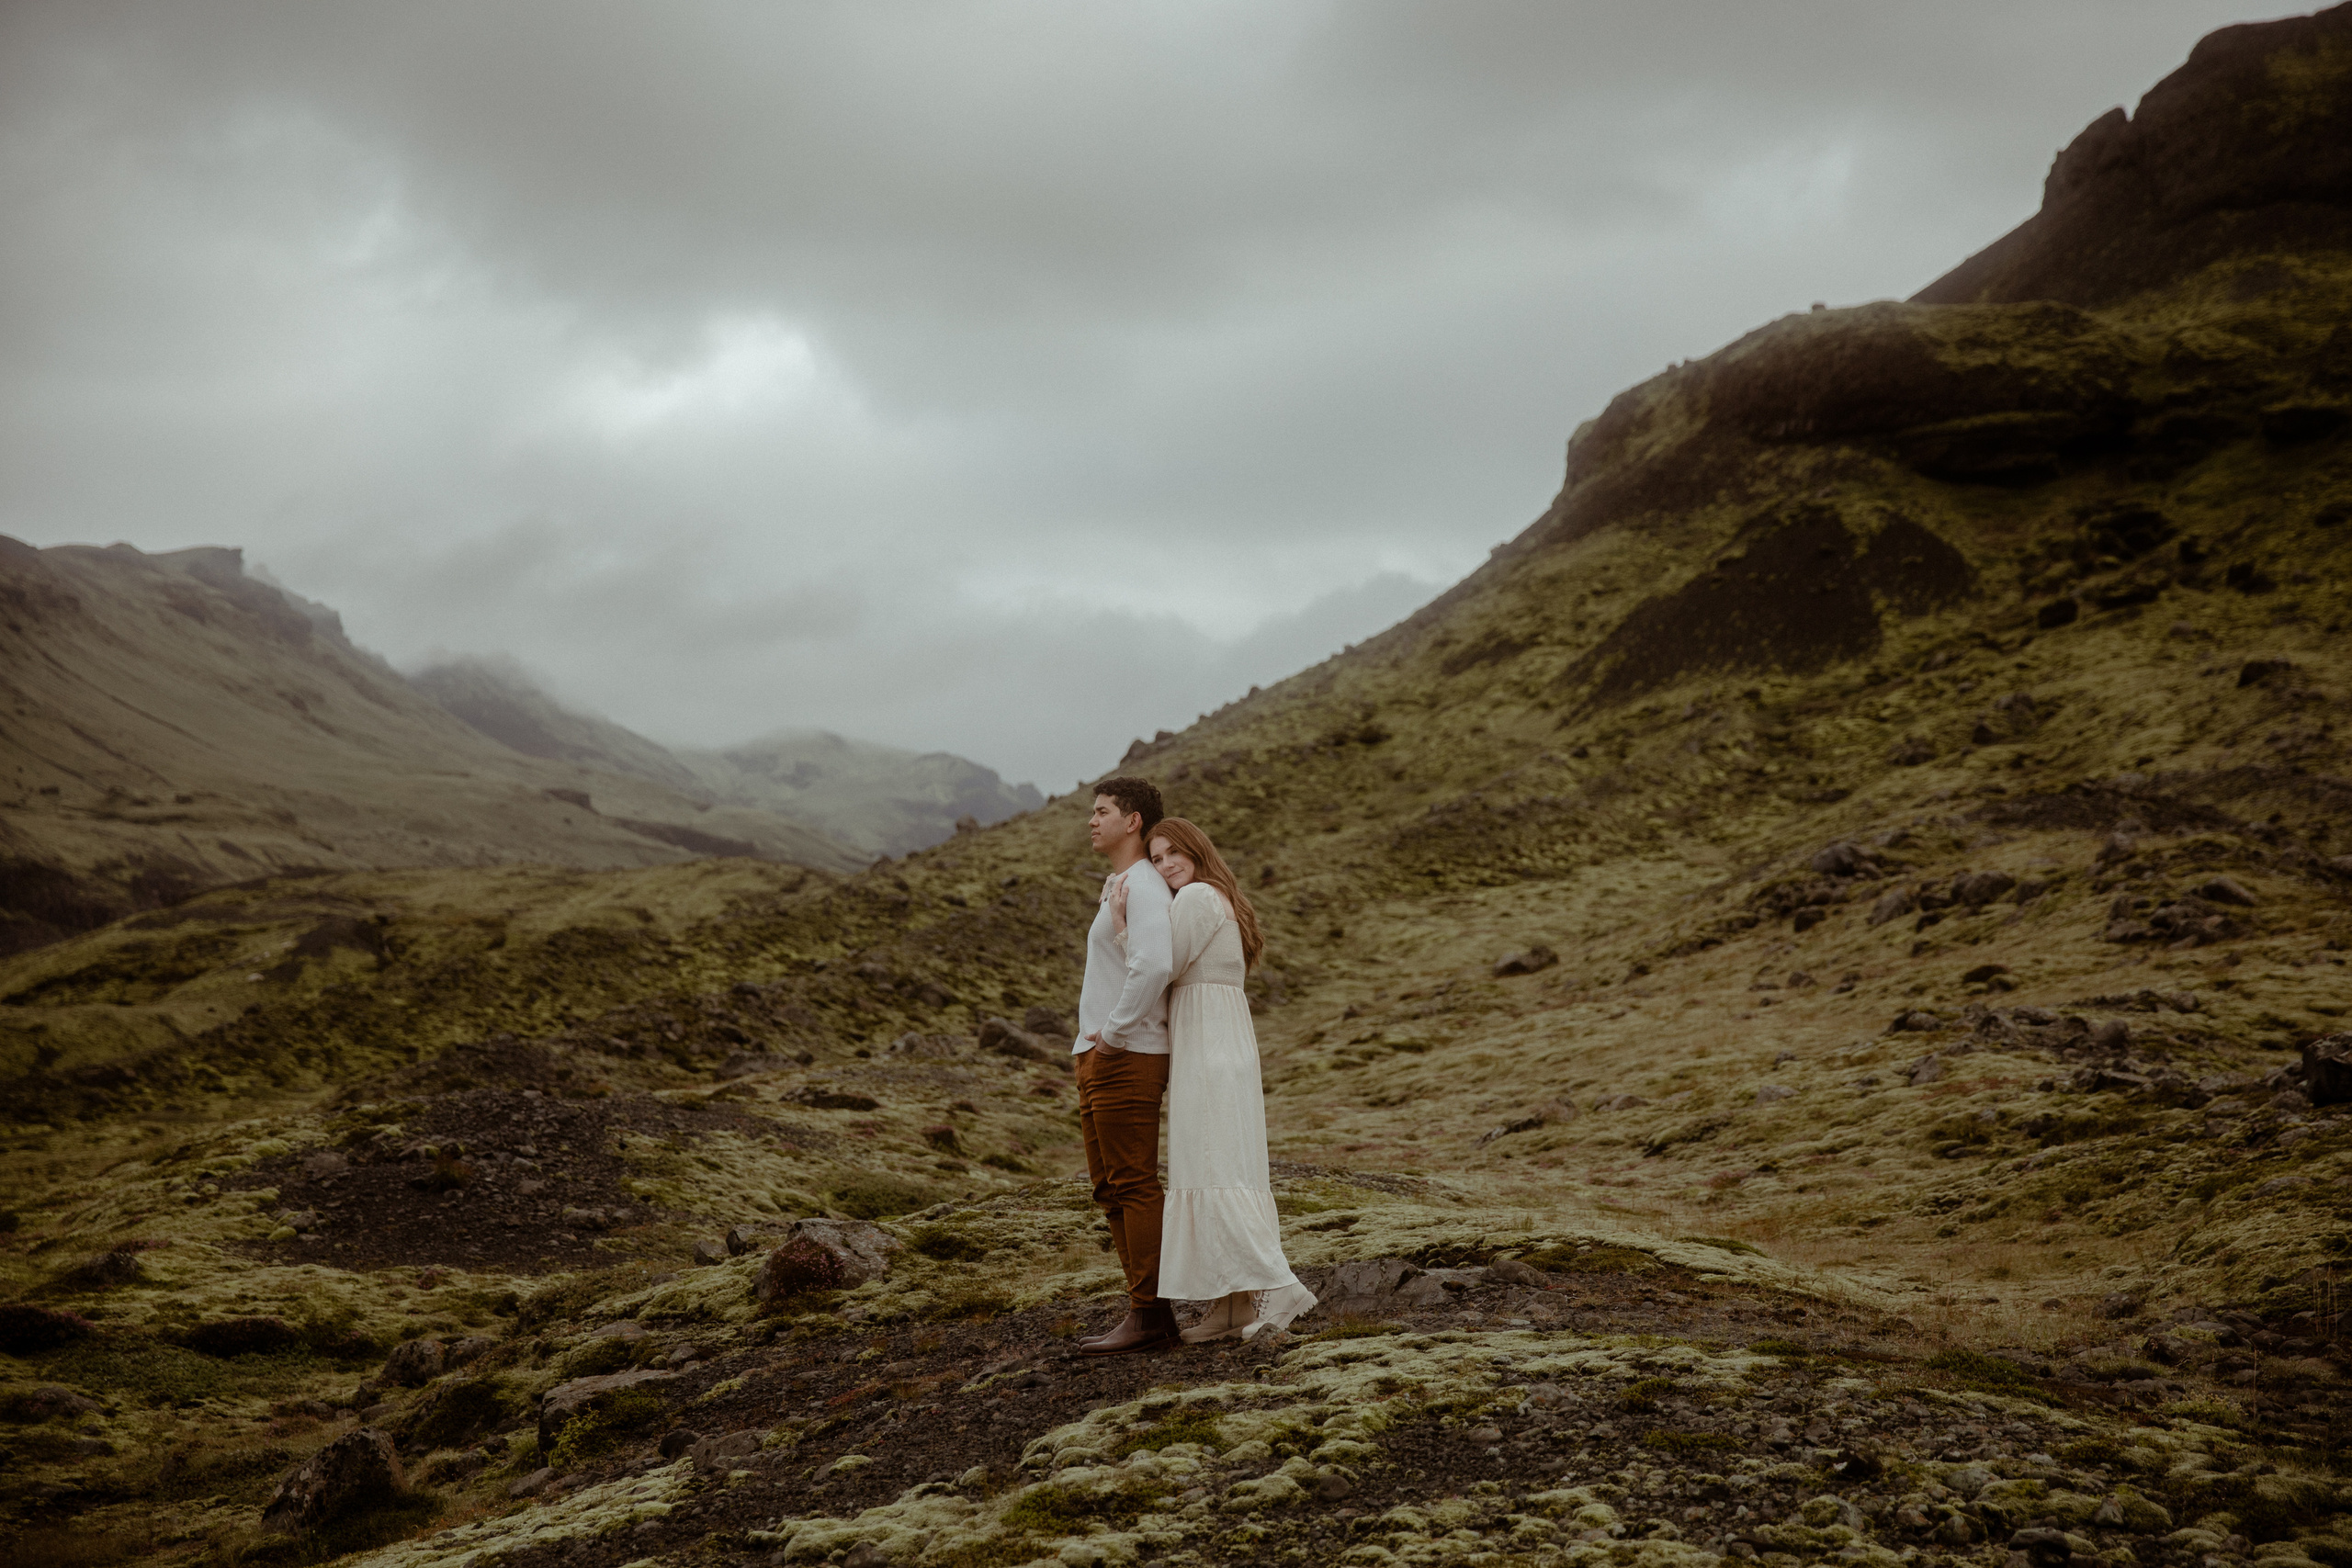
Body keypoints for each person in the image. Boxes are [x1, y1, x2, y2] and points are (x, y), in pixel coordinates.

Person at [1111, 817, 1315, 1341]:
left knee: (1214, 1164)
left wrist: (1121, 926)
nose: (1166, 864)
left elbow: (1159, 964)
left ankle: (1278, 1283)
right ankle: (1233, 1308)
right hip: (1221, 1042)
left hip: (1210, 1047)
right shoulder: (1218, 895)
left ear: (1197, 850)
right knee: (1220, 1163)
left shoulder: (1198, 896)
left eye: (1174, 852)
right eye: (1156, 858)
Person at [1070, 775, 1179, 1356]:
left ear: (1132, 820)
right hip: (1101, 1054)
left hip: (1127, 1055)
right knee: (1109, 1189)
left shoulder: (1143, 886)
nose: (1092, 820)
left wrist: (1111, 1038)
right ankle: (1144, 1310)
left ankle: (1151, 1314)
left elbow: (1154, 966)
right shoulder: (1121, 884)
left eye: (1102, 810)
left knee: (1133, 1183)